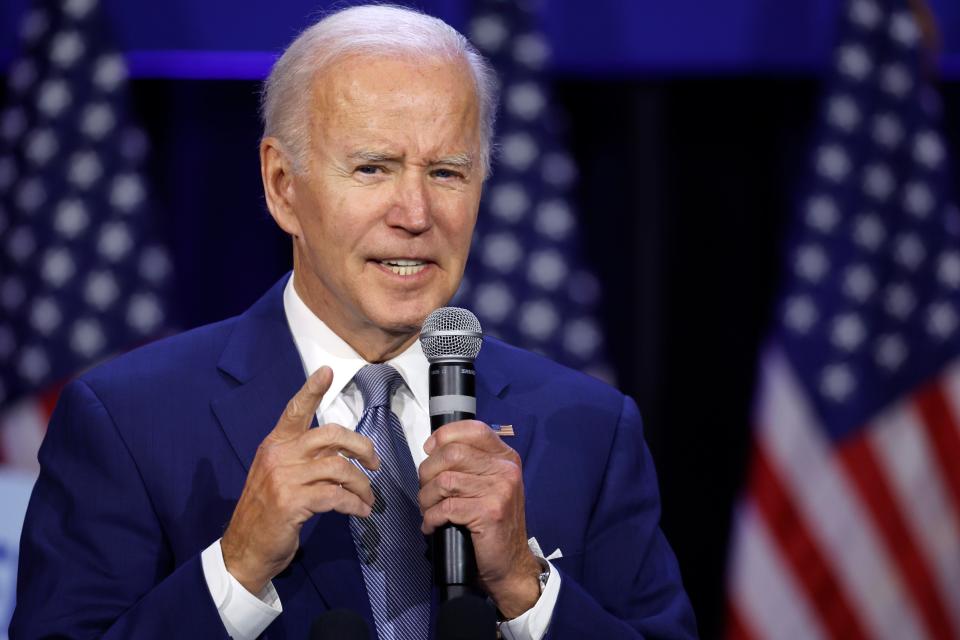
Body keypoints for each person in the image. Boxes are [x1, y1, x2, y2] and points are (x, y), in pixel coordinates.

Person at [12, 5, 697, 639]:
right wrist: (237, 566)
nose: (416, 214)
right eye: (374, 168)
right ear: (283, 186)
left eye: (448, 173)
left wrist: (524, 584)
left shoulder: (590, 429)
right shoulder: (129, 422)